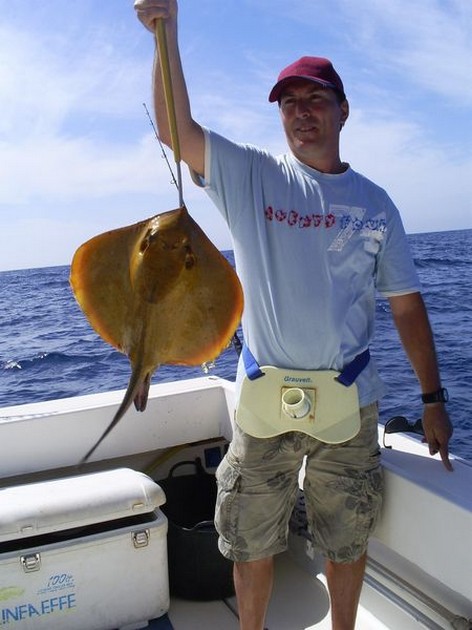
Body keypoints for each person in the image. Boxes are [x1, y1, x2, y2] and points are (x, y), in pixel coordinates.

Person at [134, 2, 454, 629]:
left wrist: (433, 398)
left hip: (349, 400)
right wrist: (163, 34)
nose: (301, 112)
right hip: (263, 398)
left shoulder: (376, 205)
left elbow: (408, 307)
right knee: (249, 541)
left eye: (315, 99)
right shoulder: (251, 176)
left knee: (347, 538)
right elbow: (175, 127)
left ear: (343, 110)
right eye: (288, 103)